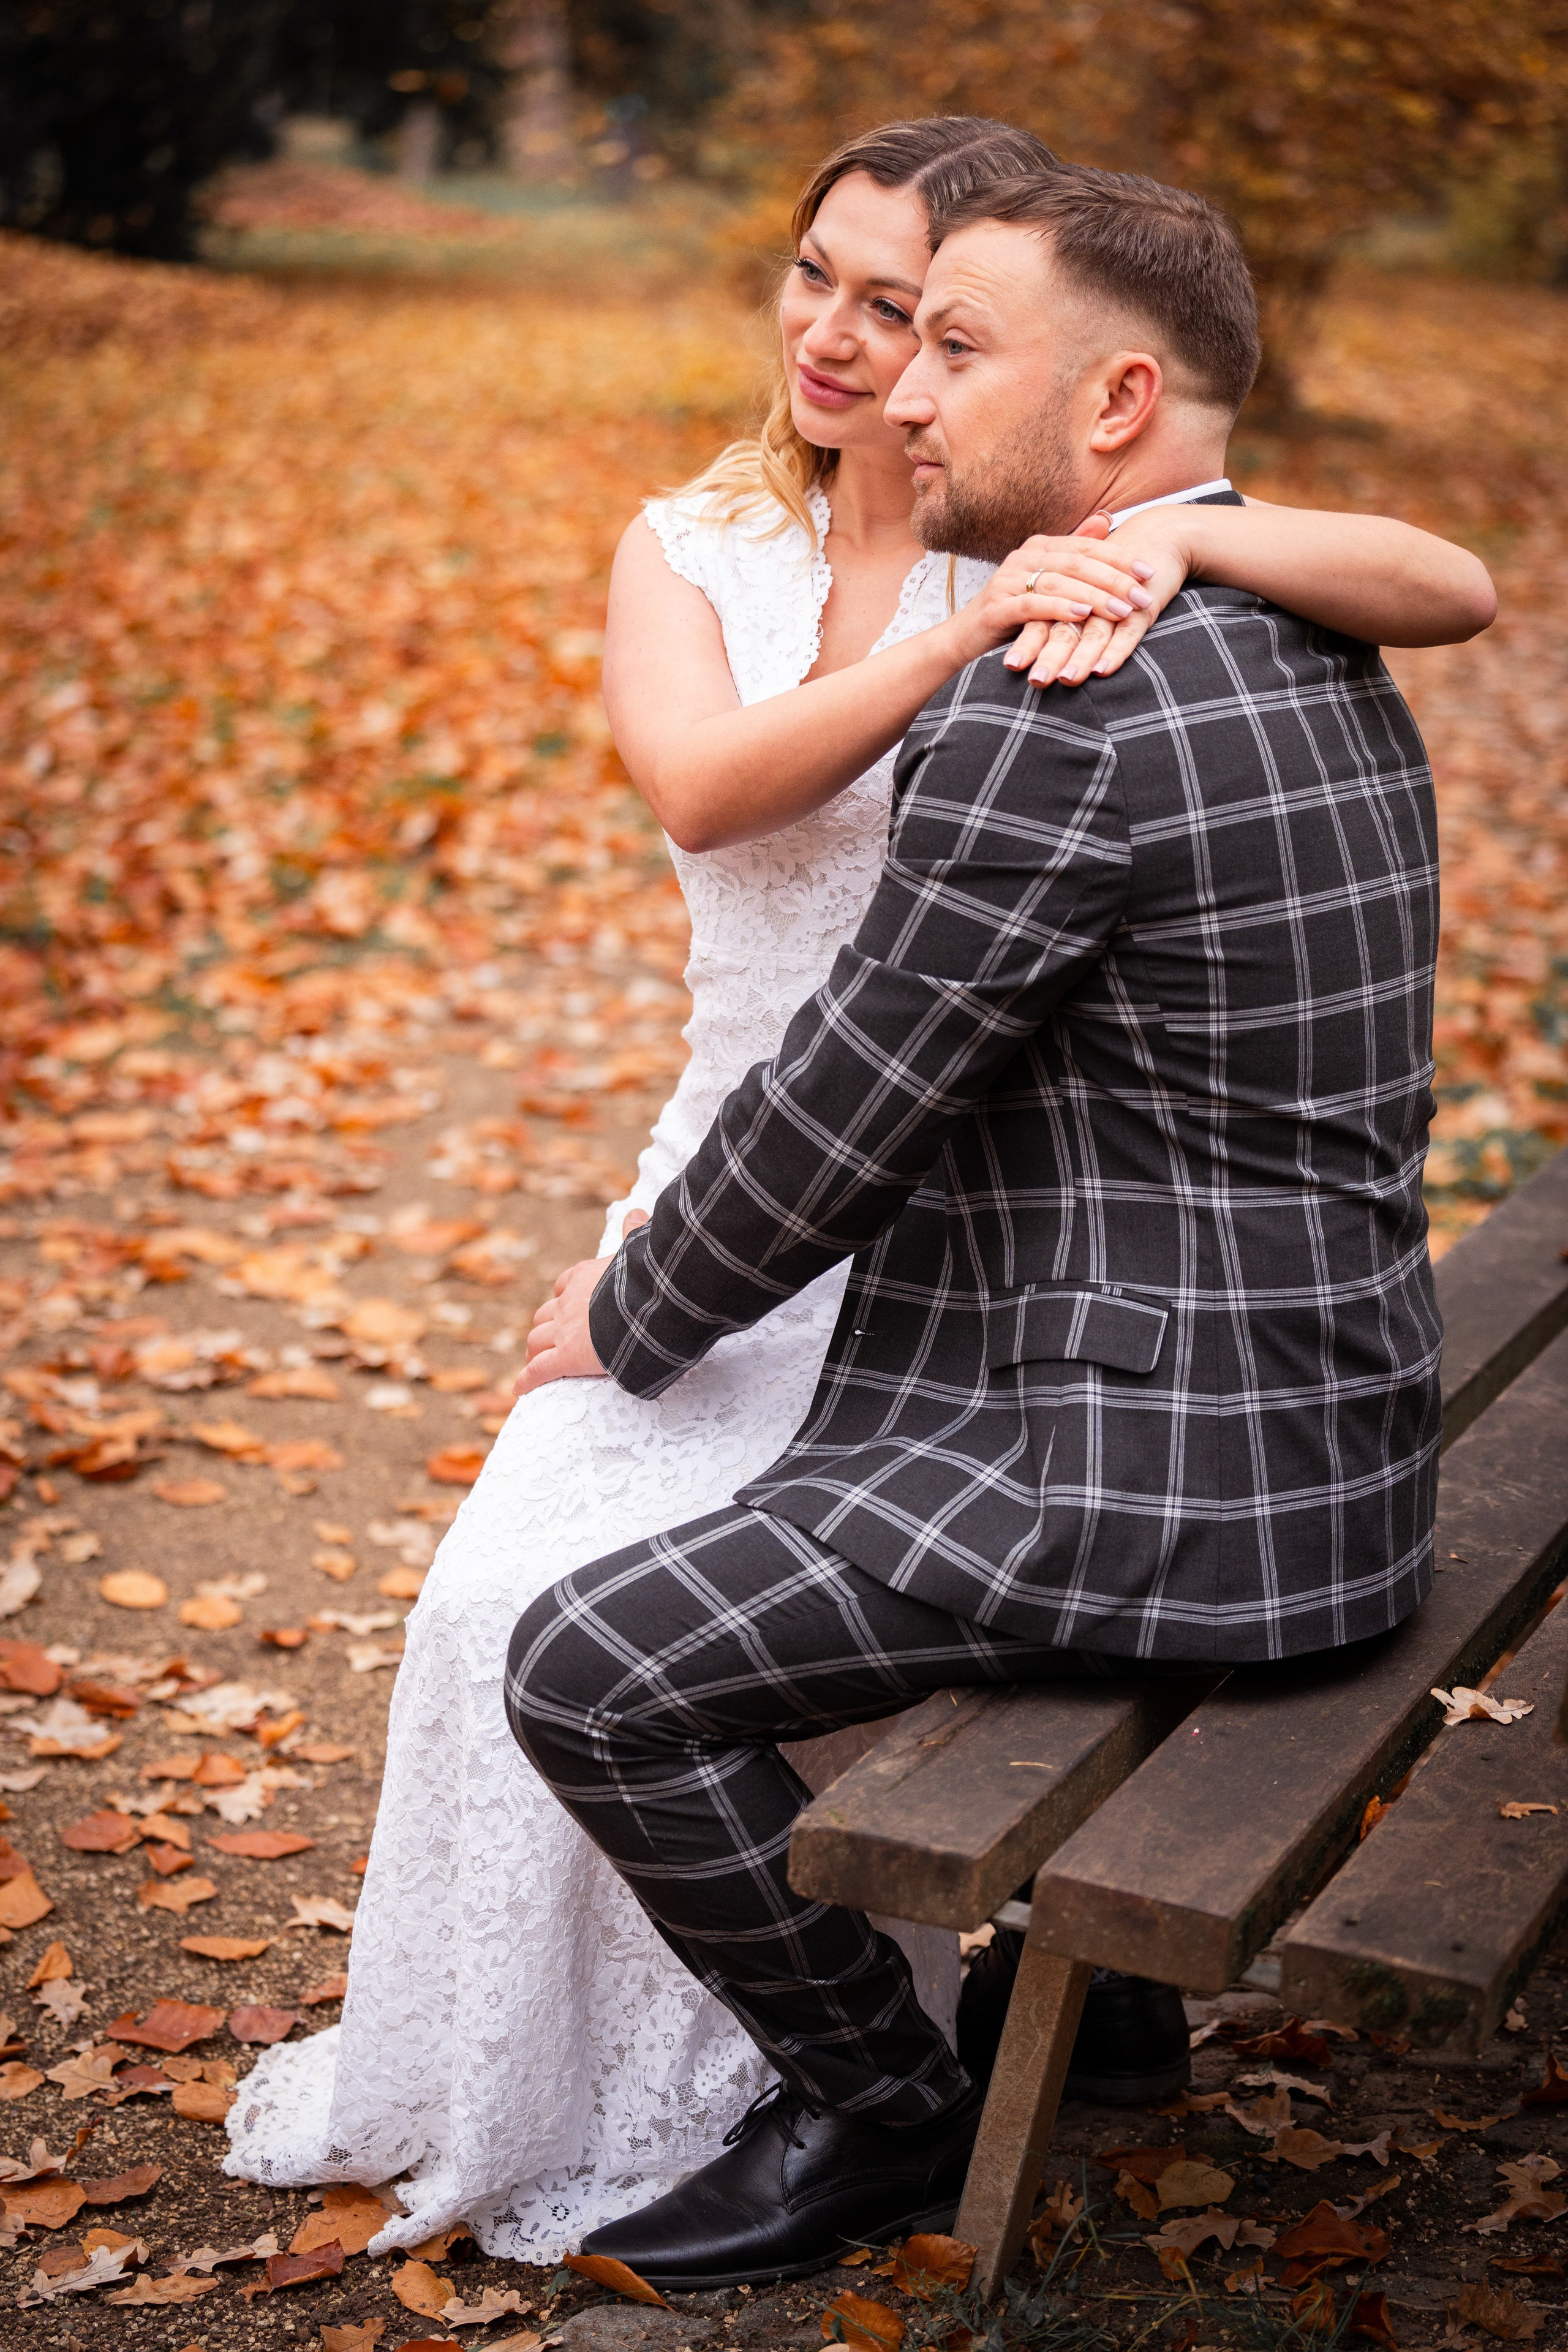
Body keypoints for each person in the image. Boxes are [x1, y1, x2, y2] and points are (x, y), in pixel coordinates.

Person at [225, 119, 1492, 2266]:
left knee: (591, 1661)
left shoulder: (1068, 699)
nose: (894, 385)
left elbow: (846, 1104)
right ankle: (1080, 2023)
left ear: (1112, 406)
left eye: (948, 343)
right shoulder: (1297, 637)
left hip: (1155, 1471)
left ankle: (883, 2104)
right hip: (1334, 1431)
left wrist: (631, 1316)